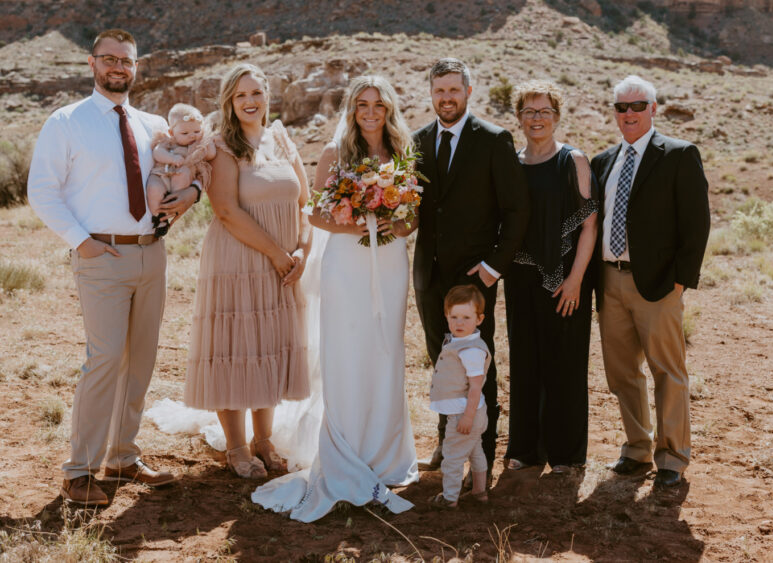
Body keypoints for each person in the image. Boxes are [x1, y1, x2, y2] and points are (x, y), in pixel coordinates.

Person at [28, 29, 197, 506]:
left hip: (151, 252)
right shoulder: (66, 122)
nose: (118, 67)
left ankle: (122, 457)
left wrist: (193, 195)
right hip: (101, 256)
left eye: (127, 60)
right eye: (110, 59)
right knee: (103, 360)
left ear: (136, 66)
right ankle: (78, 470)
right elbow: (41, 190)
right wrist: (82, 243)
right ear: (92, 64)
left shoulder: (151, 124)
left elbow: (179, 171)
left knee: (140, 359)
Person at [252, 75, 419, 521]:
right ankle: (346, 449)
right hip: (346, 264)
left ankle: (386, 453)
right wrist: (362, 224)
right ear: (351, 108)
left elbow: (412, 216)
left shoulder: (403, 152)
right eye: (362, 104)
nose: (370, 112)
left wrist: (395, 224)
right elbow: (318, 215)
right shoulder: (334, 153)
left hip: (390, 264)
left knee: (386, 349)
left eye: (378, 105)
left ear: (388, 110)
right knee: (347, 351)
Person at [184, 63, 312, 479]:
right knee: (236, 348)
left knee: (268, 347)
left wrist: (302, 251)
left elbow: (305, 202)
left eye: (256, 92)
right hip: (238, 260)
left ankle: (264, 440)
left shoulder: (281, 139)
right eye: (241, 95)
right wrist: (277, 254)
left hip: (283, 264)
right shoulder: (222, 146)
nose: (250, 101)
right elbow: (225, 209)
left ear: (267, 96)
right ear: (229, 102)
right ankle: (237, 448)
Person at [590, 75, 710, 489]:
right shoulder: (603, 161)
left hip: (659, 285)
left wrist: (680, 282)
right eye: (620, 107)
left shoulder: (678, 155)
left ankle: (673, 457)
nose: (628, 114)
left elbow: (696, 225)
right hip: (609, 280)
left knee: (667, 371)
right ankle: (637, 449)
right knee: (622, 372)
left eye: (637, 106)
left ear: (653, 109)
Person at [413, 58, 529, 472]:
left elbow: (516, 210)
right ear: (431, 93)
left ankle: (482, 448)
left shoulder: (494, 140)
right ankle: (448, 443)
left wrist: (493, 267)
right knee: (442, 362)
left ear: (468, 92)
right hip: (429, 276)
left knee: (477, 361)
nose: (446, 98)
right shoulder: (418, 141)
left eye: (453, 90)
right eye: (439, 90)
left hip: (473, 278)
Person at [503, 80, 598, 473]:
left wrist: (576, 279)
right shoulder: (512, 162)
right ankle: (525, 450)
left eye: (543, 111)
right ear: (519, 118)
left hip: (566, 277)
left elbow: (590, 227)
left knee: (565, 363)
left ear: (557, 117)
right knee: (525, 363)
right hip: (520, 277)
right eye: (528, 111)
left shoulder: (572, 160)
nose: (536, 118)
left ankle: (565, 454)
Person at [429, 285, 491, 508]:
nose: (459, 323)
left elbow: (475, 388)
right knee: (475, 451)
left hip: (464, 414)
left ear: (479, 319)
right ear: (446, 317)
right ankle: (479, 492)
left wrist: (467, 416)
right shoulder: (459, 342)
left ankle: (449, 499)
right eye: (454, 317)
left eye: (466, 317)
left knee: (453, 458)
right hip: (469, 413)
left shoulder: (471, 350)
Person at [147, 103, 217, 234]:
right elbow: (157, 152)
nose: (192, 136)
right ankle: (159, 218)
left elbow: (211, 154)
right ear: (171, 132)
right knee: (153, 188)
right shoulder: (167, 141)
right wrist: (171, 158)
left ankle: (172, 202)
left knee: (184, 173)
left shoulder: (197, 147)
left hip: (180, 180)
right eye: (185, 133)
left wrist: (208, 139)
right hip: (161, 175)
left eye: (196, 131)